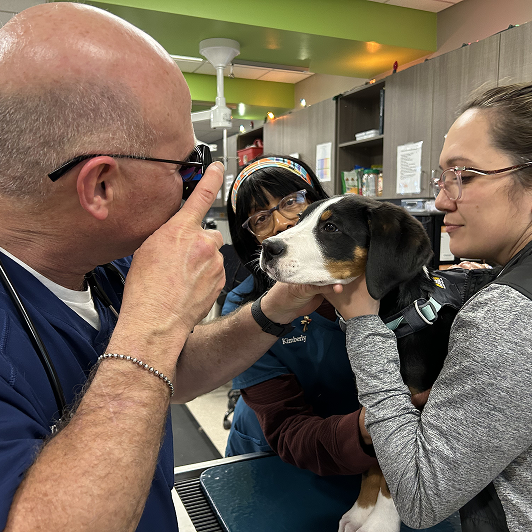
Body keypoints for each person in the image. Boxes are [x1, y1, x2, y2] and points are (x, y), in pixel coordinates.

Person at [0, 4, 325, 531]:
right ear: (101, 185)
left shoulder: (107, 266)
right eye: (185, 167)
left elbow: (166, 373)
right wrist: (153, 325)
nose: (193, 186)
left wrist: (274, 309)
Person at [326, 84, 532, 531]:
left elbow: (420, 497)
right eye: (442, 179)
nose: (441, 200)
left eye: (464, 175)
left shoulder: (510, 316)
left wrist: (362, 323)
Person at [222, 155, 377, 475]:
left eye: (292, 201)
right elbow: (286, 427)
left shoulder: (371, 277)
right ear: (252, 238)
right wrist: (368, 429)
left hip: (368, 453)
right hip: (273, 460)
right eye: (260, 219)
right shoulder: (245, 308)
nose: (281, 223)